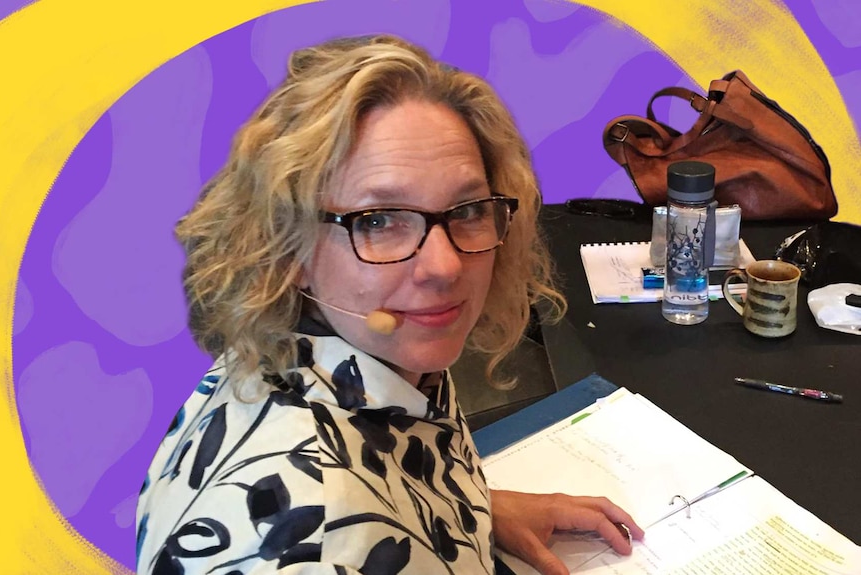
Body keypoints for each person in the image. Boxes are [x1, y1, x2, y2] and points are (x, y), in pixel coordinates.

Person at [135, 34, 643, 575]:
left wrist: (470, 510)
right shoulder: (312, 545)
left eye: (468, 209)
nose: (444, 267)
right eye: (377, 221)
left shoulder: (349, 350)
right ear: (289, 243)